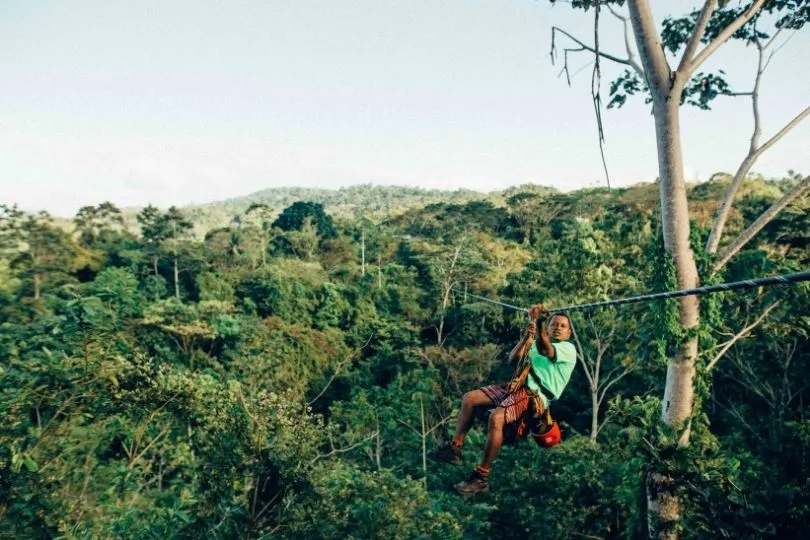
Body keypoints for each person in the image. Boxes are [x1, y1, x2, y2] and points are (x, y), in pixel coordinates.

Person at [430, 303, 576, 496]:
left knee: (496, 419)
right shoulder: (537, 342)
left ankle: (480, 477)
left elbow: (546, 350)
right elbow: (513, 360)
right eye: (554, 324)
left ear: (568, 333)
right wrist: (527, 336)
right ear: (548, 328)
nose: (558, 327)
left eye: (563, 326)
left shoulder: (567, 349)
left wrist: (540, 322)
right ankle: (454, 448)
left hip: (534, 396)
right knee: (470, 399)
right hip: (516, 387)